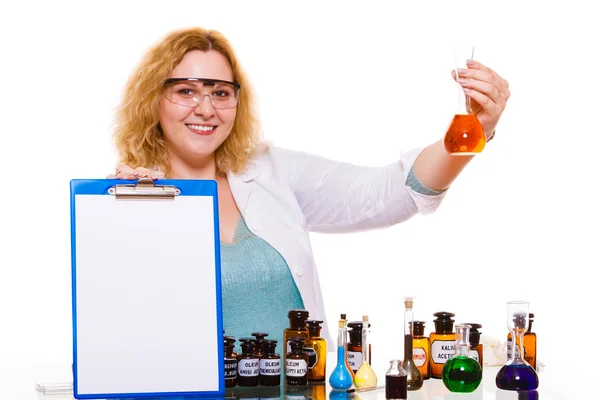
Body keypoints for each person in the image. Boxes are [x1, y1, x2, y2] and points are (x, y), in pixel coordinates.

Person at [108, 27, 510, 350]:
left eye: (220, 92)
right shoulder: (132, 198)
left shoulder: (273, 172)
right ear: (153, 99)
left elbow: (390, 192)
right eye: (186, 90)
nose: (206, 108)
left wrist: (475, 130)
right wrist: (119, 216)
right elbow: (121, 335)